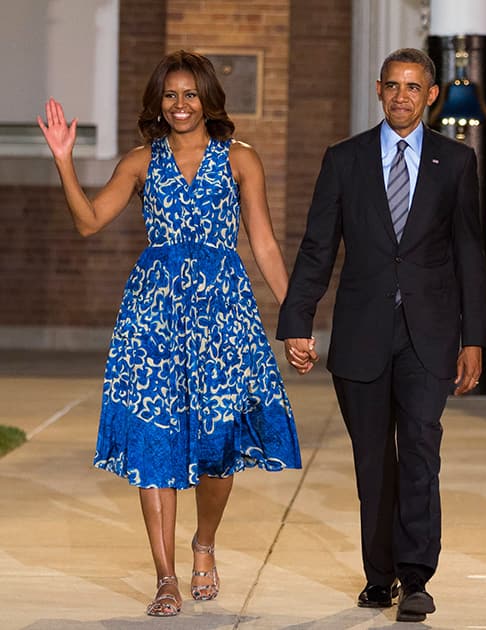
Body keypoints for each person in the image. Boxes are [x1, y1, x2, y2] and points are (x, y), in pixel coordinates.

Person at [36, 50, 302, 617]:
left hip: (222, 316)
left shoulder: (240, 159)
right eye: (170, 95)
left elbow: (264, 243)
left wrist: (295, 316)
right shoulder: (139, 162)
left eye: (190, 94)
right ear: (158, 101)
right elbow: (88, 222)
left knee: (219, 447)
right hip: (152, 318)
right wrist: (64, 159)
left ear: (208, 97)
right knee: (154, 441)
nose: (180, 105)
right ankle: (165, 576)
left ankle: (204, 542)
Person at [277, 47, 486, 623]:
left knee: (421, 449)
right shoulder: (343, 160)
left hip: (430, 334)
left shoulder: (455, 162)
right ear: (378, 90)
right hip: (363, 333)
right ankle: (380, 576)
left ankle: (416, 576)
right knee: (374, 460)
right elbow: (319, 246)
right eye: (392, 86)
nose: (402, 96)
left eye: (413, 87)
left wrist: (475, 338)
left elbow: (470, 251)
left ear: (431, 96)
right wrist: (297, 320)